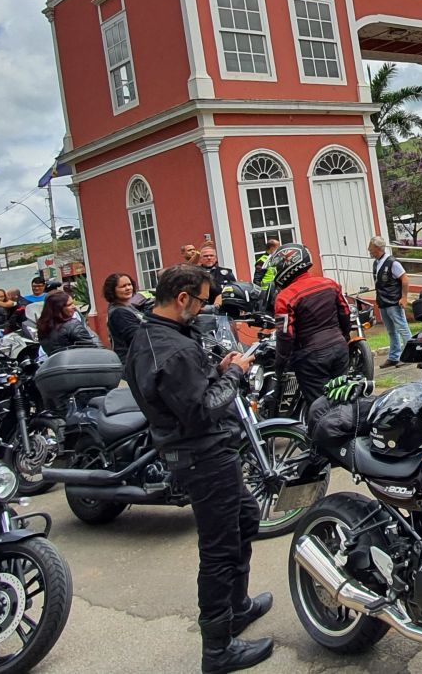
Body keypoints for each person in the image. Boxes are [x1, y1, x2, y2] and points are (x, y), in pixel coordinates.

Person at [123, 264, 273, 673]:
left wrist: (218, 371)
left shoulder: (156, 336)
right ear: (183, 298)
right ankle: (217, 650)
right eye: (204, 300)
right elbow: (201, 410)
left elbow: (188, 392)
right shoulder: (172, 348)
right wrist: (236, 375)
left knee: (244, 516)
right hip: (202, 454)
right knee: (219, 547)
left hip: (201, 449)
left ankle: (236, 607)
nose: (207, 307)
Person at [269, 244, 351, 407]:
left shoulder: (286, 296)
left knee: (321, 406)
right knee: (343, 399)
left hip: (310, 356)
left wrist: (280, 363)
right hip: (339, 348)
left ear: (286, 265)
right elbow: (345, 312)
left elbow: (285, 334)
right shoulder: (329, 283)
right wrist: (344, 336)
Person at [368, 236, 412, 368]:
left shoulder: (393, 262)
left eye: (370, 247)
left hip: (393, 302)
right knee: (391, 331)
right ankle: (394, 356)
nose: (369, 250)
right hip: (383, 302)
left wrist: (404, 298)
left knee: (402, 328)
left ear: (377, 247)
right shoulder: (376, 263)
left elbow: (405, 279)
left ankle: (410, 355)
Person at [36, 289, 101, 354]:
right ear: (58, 308)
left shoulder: (42, 328)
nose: (74, 307)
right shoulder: (73, 325)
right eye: (69, 305)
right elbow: (93, 351)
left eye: (73, 303)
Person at [103, 273, 144, 363]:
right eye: (123, 286)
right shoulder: (119, 312)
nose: (128, 288)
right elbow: (137, 338)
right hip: (130, 362)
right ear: (112, 290)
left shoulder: (128, 306)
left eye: (129, 284)